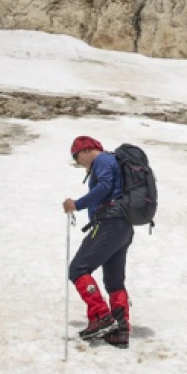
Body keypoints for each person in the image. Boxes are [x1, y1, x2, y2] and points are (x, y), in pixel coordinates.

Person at [63, 135, 133, 346]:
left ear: (86, 150)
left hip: (109, 224)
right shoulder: (112, 161)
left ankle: (102, 317)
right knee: (114, 280)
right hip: (124, 226)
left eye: (77, 158)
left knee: (77, 269)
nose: (79, 163)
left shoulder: (101, 160)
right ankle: (121, 331)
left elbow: (104, 186)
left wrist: (78, 204)